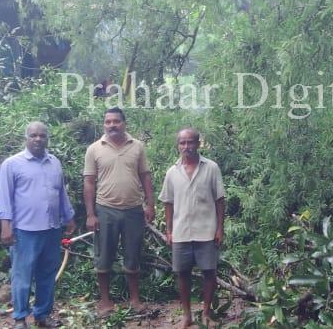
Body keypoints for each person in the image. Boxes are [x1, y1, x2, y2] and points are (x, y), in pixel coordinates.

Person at [0, 121, 76, 329]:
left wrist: (69, 217)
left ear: (47, 138)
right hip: (25, 231)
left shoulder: (54, 162)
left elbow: (61, 193)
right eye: (33, 135)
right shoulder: (12, 164)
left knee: (47, 275)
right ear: (26, 138)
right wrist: (6, 226)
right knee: (22, 276)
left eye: (42, 135)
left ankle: (42, 316)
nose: (38, 139)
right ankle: (20, 318)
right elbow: (5, 198)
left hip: (51, 229)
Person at [83, 107, 155, 316]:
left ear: (124, 123)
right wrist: (90, 214)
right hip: (106, 209)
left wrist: (150, 204)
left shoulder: (137, 146)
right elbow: (89, 182)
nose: (112, 125)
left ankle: (135, 300)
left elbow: (145, 176)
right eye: (108, 122)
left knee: (133, 255)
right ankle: (106, 302)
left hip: (133, 210)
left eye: (116, 121)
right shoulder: (94, 149)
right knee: (104, 257)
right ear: (104, 124)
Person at [159, 127, 226, 328]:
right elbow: (168, 202)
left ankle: (206, 313)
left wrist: (220, 228)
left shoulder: (211, 168)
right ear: (178, 145)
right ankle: (187, 315)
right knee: (182, 273)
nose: (186, 146)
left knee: (209, 272)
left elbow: (220, 200)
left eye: (190, 142)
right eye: (182, 142)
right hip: (181, 232)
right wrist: (169, 230)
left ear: (198, 143)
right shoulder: (172, 172)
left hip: (207, 231)